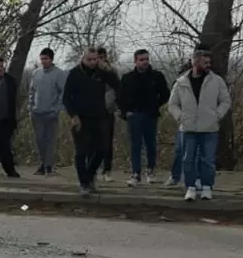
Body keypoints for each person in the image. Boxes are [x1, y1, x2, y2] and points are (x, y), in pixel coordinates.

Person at [168, 48, 231, 201]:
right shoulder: (181, 82)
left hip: (209, 128)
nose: (208, 65)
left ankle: (207, 187)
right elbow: (172, 104)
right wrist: (180, 117)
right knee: (188, 159)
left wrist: (217, 115)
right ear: (195, 62)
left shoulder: (216, 81)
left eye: (210, 62)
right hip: (188, 128)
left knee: (208, 159)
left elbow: (225, 101)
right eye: (205, 62)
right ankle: (190, 187)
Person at [63, 47, 119, 195]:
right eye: (89, 59)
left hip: (99, 116)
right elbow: (66, 98)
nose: (93, 62)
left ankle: (89, 176)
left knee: (102, 150)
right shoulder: (74, 74)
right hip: (80, 118)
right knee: (81, 152)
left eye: (95, 59)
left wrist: (108, 71)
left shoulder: (102, 72)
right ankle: (84, 184)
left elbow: (118, 86)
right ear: (83, 59)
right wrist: (73, 115)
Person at [117, 49, 170, 186]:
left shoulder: (157, 76)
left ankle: (151, 170)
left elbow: (165, 94)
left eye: (146, 59)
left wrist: (155, 106)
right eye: (141, 59)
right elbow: (120, 97)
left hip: (150, 115)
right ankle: (136, 173)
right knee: (135, 145)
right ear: (135, 61)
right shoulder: (127, 78)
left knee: (150, 144)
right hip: (134, 115)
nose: (145, 62)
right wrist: (126, 112)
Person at [28, 48, 67, 175]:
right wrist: (30, 106)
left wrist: (56, 109)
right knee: (39, 140)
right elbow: (32, 91)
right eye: (42, 59)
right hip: (37, 112)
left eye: (46, 59)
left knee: (50, 140)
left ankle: (49, 166)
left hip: (51, 113)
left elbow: (63, 93)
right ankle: (42, 164)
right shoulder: (36, 73)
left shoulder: (59, 74)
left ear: (51, 59)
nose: (43, 61)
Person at [165, 59, 192, 187]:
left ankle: (195, 179)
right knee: (180, 150)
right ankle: (175, 176)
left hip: (204, 121)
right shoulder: (183, 75)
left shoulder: (211, 76)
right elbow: (174, 99)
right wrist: (180, 116)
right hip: (185, 119)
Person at [96, 47, 119, 182]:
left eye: (102, 57)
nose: (99, 60)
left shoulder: (111, 71)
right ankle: (95, 169)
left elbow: (117, 90)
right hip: (93, 112)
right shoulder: (91, 72)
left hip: (107, 111)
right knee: (94, 142)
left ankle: (107, 170)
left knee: (107, 142)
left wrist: (111, 107)